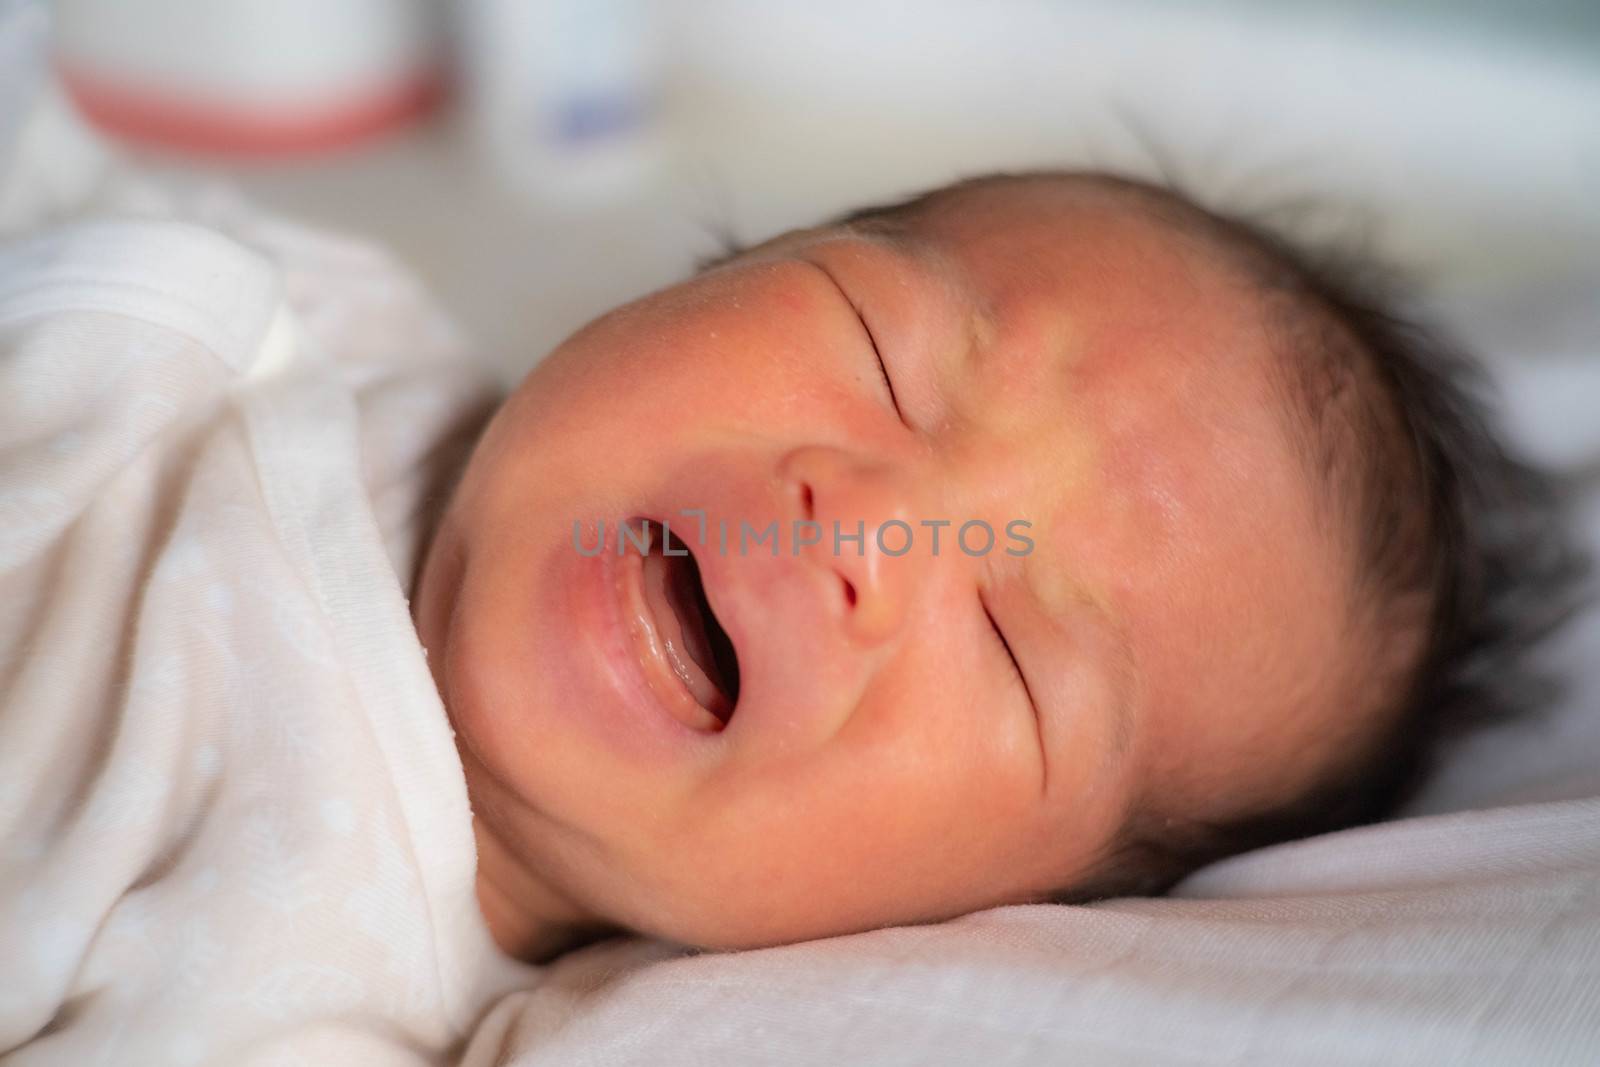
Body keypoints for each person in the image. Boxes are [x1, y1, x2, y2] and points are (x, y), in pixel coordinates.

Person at [0, 171, 1577, 1064]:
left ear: (982, 918)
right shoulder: (329, 306)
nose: (871, 528)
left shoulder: (281, 997)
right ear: (717, 267)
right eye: (882, 345)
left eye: (1022, 654)